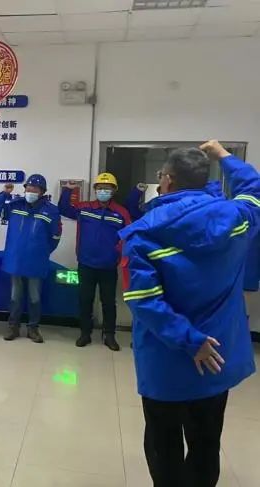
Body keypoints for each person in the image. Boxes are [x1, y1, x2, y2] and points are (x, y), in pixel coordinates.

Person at [119, 140, 259, 487]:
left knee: (163, 444)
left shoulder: (144, 233)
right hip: (217, 357)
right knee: (206, 442)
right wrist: (223, 155)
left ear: (167, 180)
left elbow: (144, 300)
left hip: (166, 361)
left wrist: (189, 340)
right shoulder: (236, 218)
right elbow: (253, 189)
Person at [59, 173, 132, 351]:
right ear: (95, 190)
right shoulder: (85, 208)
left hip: (108, 266)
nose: (103, 191)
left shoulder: (121, 212)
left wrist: (119, 254)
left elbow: (129, 235)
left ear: (114, 190)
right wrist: (67, 191)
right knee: (85, 300)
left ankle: (109, 335)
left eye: (106, 188)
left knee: (108, 302)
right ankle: (85, 333)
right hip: (86, 263)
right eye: (100, 188)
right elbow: (64, 209)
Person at [0, 174, 62, 343]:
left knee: (34, 297)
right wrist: (5, 193)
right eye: (28, 188)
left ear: (42, 191)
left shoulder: (51, 210)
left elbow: (55, 236)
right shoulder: (15, 205)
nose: (30, 191)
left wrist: (43, 252)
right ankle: (13, 327)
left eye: (34, 189)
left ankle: (33, 328)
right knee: (15, 296)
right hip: (16, 259)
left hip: (36, 261)